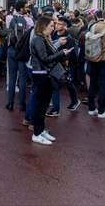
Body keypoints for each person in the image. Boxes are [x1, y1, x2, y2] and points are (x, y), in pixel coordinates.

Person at [29, 15, 72, 145]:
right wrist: (61, 54)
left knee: (44, 103)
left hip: (45, 73)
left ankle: (40, 130)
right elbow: (44, 58)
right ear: (43, 27)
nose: (53, 28)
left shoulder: (43, 38)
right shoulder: (38, 39)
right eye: (51, 26)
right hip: (41, 73)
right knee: (40, 104)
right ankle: (36, 133)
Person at [48, 16, 80, 116]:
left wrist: (65, 65)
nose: (57, 25)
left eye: (59, 24)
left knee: (67, 83)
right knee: (55, 85)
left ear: (65, 26)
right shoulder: (53, 34)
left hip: (63, 64)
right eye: (56, 23)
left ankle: (74, 101)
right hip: (54, 62)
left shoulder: (68, 38)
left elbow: (68, 54)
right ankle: (55, 108)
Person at [6, 0, 31, 112]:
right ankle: (21, 104)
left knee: (12, 77)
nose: (27, 8)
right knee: (22, 78)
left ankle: (10, 103)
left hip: (11, 49)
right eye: (25, 7)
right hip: (21, 51)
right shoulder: (27, 20)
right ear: (21, 9)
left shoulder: (9, 18)